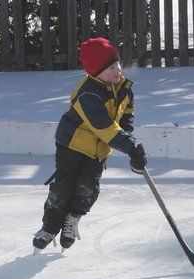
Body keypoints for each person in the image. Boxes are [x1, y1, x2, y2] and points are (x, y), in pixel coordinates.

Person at [33, 37, 147, 253]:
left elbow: (126, 110)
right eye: (109, 69)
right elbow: (104, 126)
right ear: (95, 74)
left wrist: (126, 127)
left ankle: (72, 218)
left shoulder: (122, 86)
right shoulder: (89, 93)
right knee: (63, 187)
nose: (116, 71)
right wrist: (129, 146)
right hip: (72, 144)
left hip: (98, 148)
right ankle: (49, 228)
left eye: (117, 65)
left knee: (88, 188)